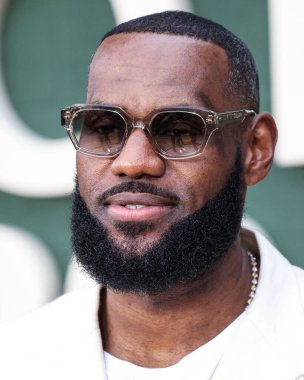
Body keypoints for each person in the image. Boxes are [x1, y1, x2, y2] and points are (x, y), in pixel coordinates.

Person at [1, 10, 304, 380]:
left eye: (180, 130)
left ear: (256, 148)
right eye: (106, 127)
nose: (133, 163)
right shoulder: (15, 359)